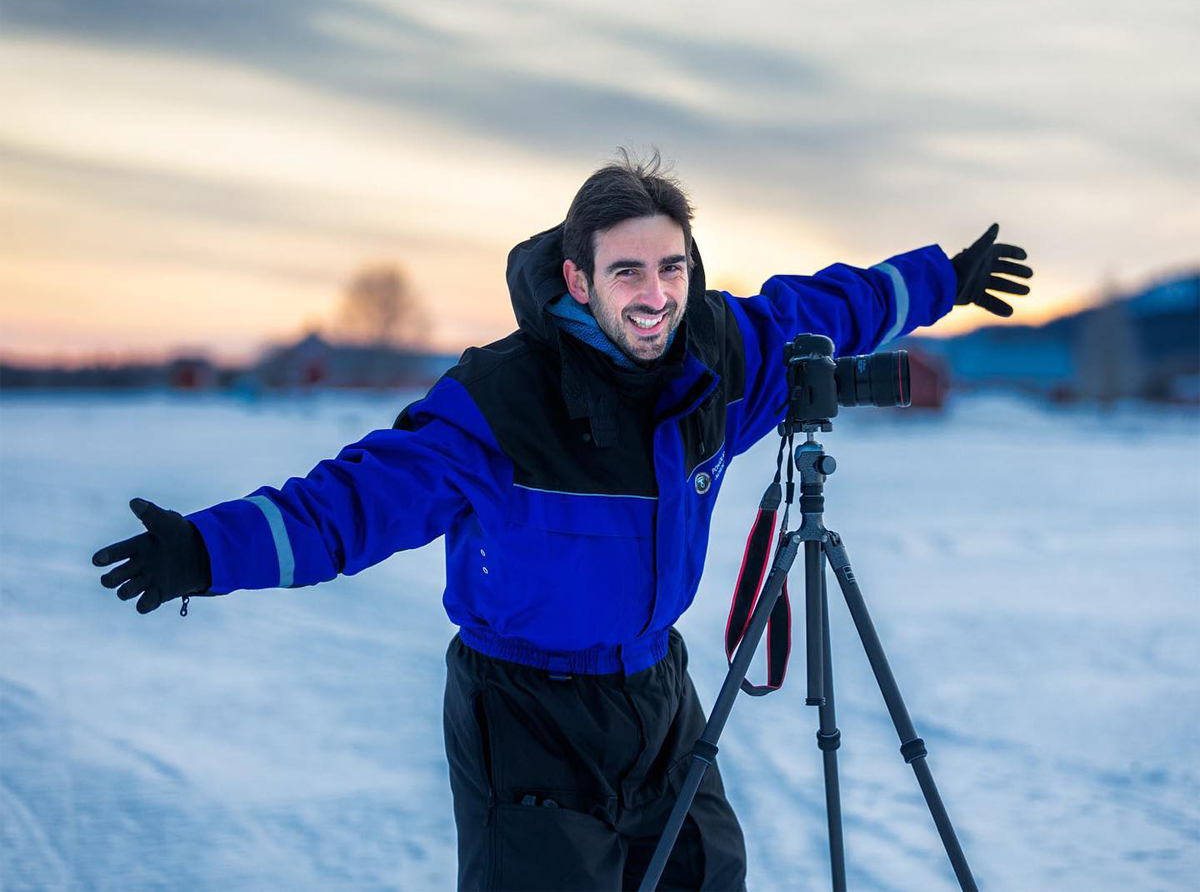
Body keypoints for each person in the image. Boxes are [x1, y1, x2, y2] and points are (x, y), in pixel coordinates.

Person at [91, 149, 1032, 891]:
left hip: (659, 700)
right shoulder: (503, 399)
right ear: (579, 280)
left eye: (671, 267)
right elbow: (354, 501)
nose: (655, 294)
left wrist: (942, 278)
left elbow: (831, 304)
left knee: (707, 878)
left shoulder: (722, 354)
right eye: (627, 272)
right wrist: (208, 550)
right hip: (526, 711)